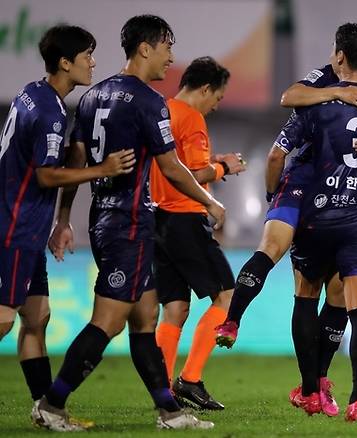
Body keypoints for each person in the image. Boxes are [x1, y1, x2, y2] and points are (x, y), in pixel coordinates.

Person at [215, 22, 357, 417]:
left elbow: (278, 147)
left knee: (307, 281)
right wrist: (339, 91)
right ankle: (328, 388)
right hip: (329, 202)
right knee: (339, 297)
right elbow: (288, 97)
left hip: (321, 203)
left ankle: (312, 381)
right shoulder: (331, 82)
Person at [35, 15, 224, 431]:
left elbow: (77, 161)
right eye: (167, 47)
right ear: (145, 48)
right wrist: (210, 202)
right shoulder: (148, 100)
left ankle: (170, 411)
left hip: (103, 218)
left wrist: (64, 219)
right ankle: (52, 403)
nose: (171, 56)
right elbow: (172, 168)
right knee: (108, 322)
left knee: (146, 319)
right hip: (129, 223)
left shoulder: (90, 97)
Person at [0, 24, 134, 420]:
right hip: (14, 227)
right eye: (86, 55)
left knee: (36, 317)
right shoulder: (50, 113)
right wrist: (103, 169)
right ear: (64, 62)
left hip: (27, 224)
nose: (93, 62)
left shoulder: (32, 93)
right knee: (5, 318)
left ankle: (47, 409)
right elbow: (45, 175)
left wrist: (60, 220)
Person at [150, 56, 245, 410]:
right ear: (205, 89)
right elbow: (192, 175)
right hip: (185, 217)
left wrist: (210, 164)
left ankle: (162, 389)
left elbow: (174, 166)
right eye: (217, 98)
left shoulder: (161, 112)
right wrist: (223, 167)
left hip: (157, 219)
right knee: (226, 296)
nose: (216, 106)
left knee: (174, 307)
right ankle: (190, 380)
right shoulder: (192, 118)